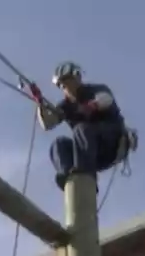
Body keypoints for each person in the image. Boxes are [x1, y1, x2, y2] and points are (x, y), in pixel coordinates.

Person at [35, 61, 131, 191]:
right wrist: (40, 103)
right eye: (61, 84)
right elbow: (48, 124)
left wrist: (92, 106)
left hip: (111, 143)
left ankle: (86, 175)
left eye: (67, 81)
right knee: (59, 144)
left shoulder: (94, 90)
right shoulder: (65, 106)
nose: (65, 86)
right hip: (90, 153)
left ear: (77, 77)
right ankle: (69, 177)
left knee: (82, 129)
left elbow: (107, 99)